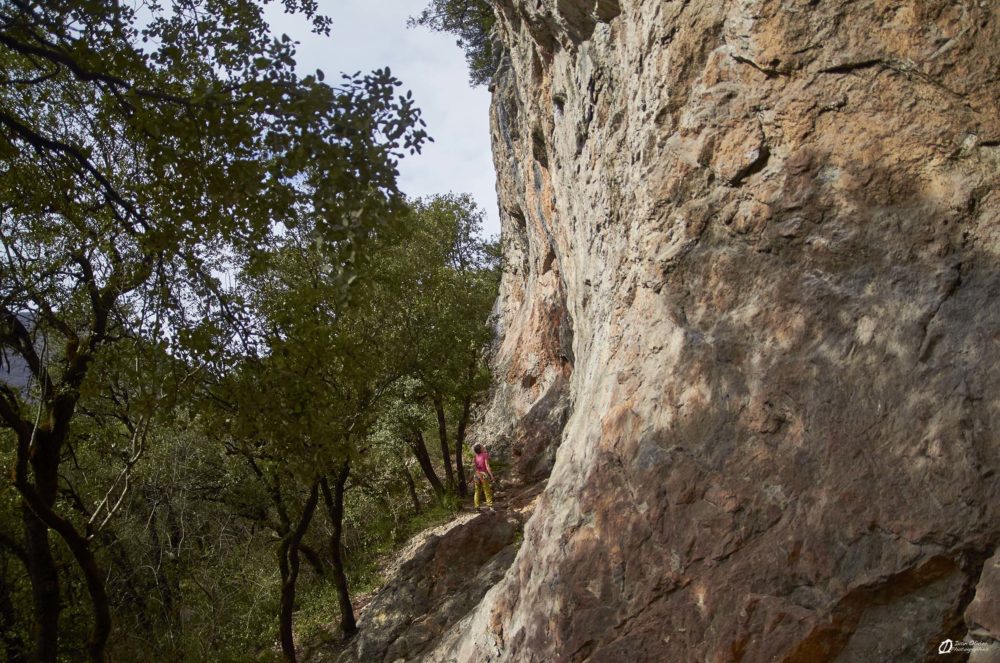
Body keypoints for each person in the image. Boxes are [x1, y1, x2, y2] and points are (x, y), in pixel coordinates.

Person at [471, 443, 495, 512]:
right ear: (481, 449)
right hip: (483, 475)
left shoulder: (475, 457)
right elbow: (487, 466)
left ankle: (477, 507)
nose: (483, 447)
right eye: (482, 447)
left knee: (477, 491)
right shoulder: (485, 455)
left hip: (476, 475)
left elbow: (474, 467)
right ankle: (490, 506)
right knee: (487, 491)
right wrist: (491, 476)